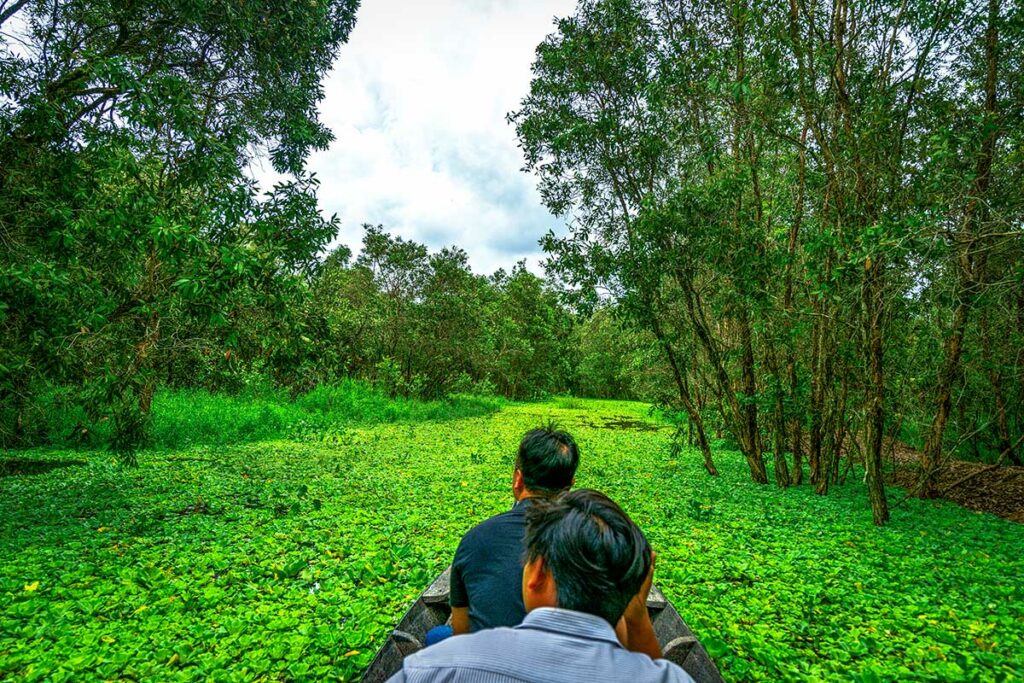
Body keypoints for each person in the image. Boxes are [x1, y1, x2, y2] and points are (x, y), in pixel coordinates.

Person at [387, 489, 694, 683]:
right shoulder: (670, 677)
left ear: (536, 573)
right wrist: (637, 613)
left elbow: (462, 630)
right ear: (633, 591)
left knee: (437, 635)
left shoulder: (431, 669)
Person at [448, 424, 580, 635]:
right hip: (563, 660)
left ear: (518, 478)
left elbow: (460, 631)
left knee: (436, 635)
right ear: (570, 485)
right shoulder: (594, 539)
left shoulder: (475, 538)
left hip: (486, 659)